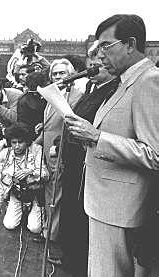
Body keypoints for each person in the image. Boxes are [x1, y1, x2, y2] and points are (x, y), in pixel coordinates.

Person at [65, 14, 159, 277]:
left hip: (120, 208)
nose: (100, 54)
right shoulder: (124, 81)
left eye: (106, 45)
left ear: (130, 44)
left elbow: (155, 154)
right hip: (106, 203)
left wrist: (97, 138)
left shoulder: (148, 81)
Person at [57, 39, 118, 275]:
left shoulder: (111, 93)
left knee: (80, 222)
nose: (92, 69)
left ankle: (77, 266)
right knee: (71, 215)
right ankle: (70, 260)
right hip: (74, 162)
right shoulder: (93, 90)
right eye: (90, 64)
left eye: (98, 65)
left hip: (89, 167)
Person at [34, 58, 84, 242]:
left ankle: (51, 235)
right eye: (54, 74)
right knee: (50, 193)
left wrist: (57, 146)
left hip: (59, 152)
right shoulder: (54, 94)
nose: (57, 76)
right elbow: (53, 122)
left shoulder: (76, 95)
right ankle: (49, 230)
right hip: (48, 151)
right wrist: (43, 127)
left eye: (62, 73)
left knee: (55, 195)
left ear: (71, 74)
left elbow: (72, 124)